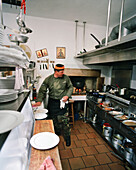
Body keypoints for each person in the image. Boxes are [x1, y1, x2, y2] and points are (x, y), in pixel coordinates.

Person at [33, 64, 73, 146]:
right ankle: (56, 133)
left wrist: (67, 95)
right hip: (53, 102)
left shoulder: (66, 78)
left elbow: (70, 87)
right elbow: (42, 91)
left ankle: (67, 138)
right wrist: (39, 100)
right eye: (61, 72)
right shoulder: (49, 79)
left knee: (64, 121)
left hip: (62, 102)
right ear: (56, 71)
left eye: (63, 71)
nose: (63, 73)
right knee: (54, 120)